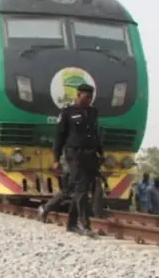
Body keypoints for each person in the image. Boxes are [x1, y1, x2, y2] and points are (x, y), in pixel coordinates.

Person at [53, 83, 102, 238]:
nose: (89, 99)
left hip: (90, 155)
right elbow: (59, 137)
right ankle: (84, 225)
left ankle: (71, 224)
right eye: (86, 96)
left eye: (91, 97)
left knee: (83, 189)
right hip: (74, 155)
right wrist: (56, 159)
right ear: (78, 95)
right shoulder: (67, 112)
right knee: (81, 189)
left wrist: (101, 153)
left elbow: (95, 134)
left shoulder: (93, 112)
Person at [37, 149, 79, 232]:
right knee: (67, 193)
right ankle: (45, 208)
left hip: (79, 165)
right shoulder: (71, 141)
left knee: (76, 192)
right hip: (72, 167)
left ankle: (77, 222)